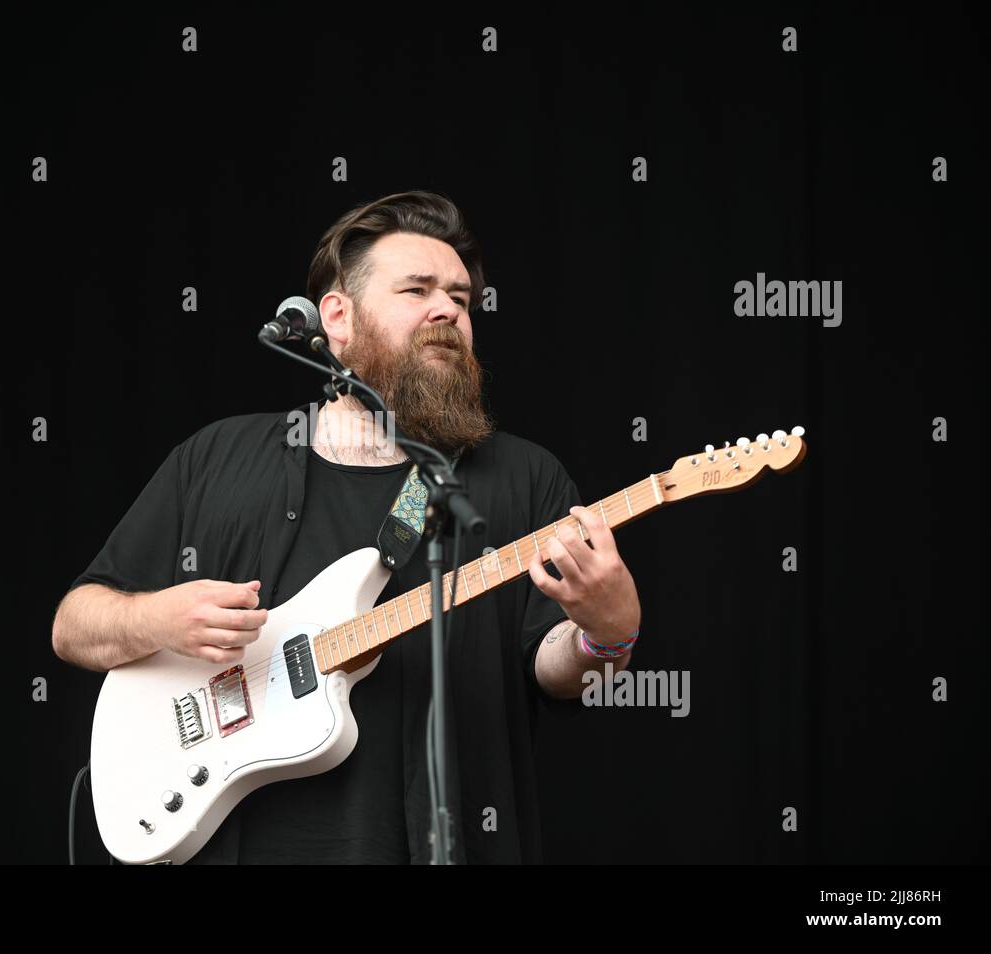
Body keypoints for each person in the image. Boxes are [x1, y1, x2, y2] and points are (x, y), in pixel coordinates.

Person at [51, 191, 642, 863]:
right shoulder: (216, 457)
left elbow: (557, 671)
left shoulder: (524, 478)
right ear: (337, 317)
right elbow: (73, 626)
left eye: (461, 298)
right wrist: (157, 620)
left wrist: (607, 633)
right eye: (417, 289)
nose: (448, 309)